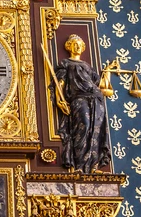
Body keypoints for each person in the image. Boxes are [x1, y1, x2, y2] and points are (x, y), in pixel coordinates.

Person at [49, 34, 123, 174]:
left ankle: (93, 166)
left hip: (96, 99)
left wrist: (107, 70)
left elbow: (99, 85)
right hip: (79, 99)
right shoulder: (66, 64)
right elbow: (60, 83)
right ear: (69, 46)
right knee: (83, 127)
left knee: (96, 131)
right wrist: (60, 100)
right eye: (74, 44)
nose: (77, 46)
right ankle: (80, 166)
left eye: (80, 44)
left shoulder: (88, 66)